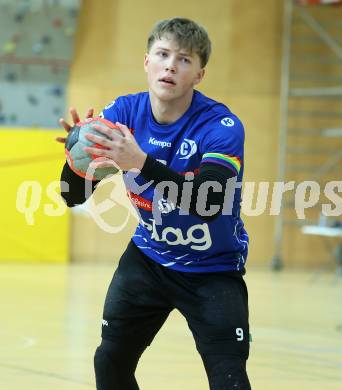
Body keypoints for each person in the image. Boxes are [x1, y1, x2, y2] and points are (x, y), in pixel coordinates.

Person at [57, 17, 251, 390]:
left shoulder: (221, 126)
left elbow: (208, 203)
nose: (170, 66)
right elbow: (71, 196)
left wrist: (140, 163)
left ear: (199, 74)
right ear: (147, 62)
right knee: (110, 361)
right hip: (149, 259)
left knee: (229, 379)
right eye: (162, 54)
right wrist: (76, 160)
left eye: (184, 60)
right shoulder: (123, 115)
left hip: (213, 268)